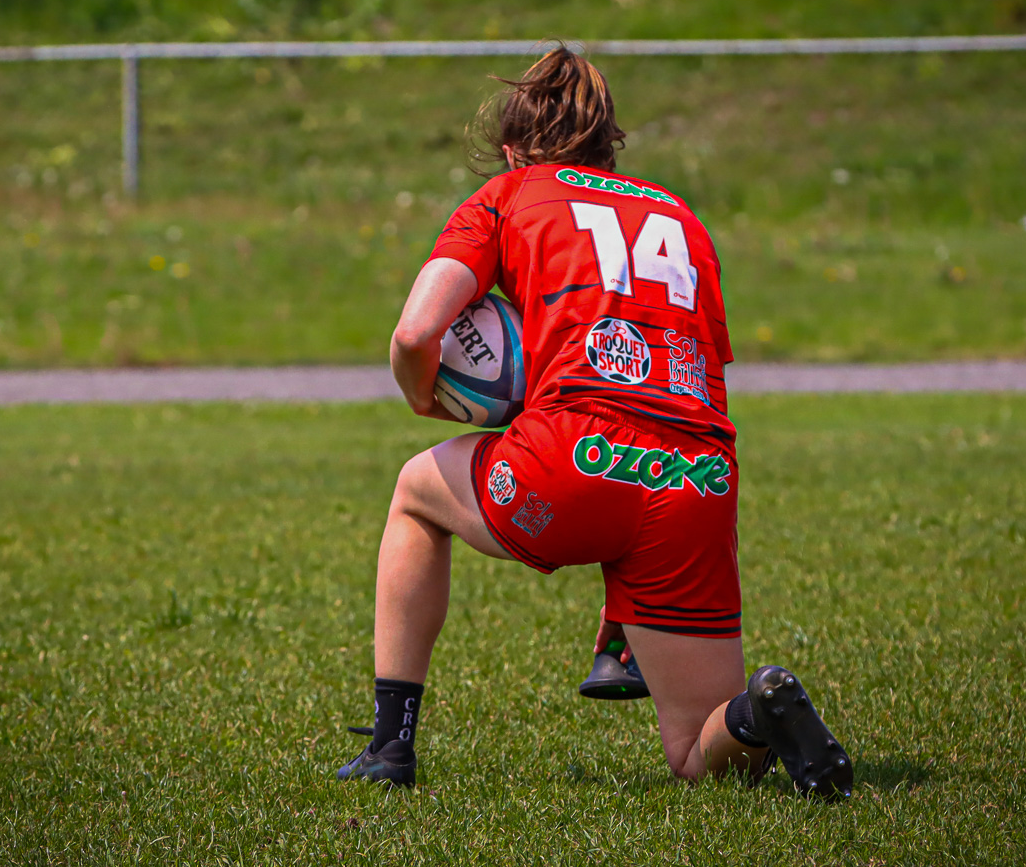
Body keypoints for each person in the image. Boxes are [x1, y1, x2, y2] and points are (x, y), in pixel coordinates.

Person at [336, 46, 852, 797]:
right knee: (693, 751)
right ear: (610, 147)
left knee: (417, 493)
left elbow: (416, 334)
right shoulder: (678, 214)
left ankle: (389, 746)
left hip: (571, 461)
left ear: (512, 149)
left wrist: (425, 397)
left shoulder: (508, 195)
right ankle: (756, 711)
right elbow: (696, 376)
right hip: (696, 480)